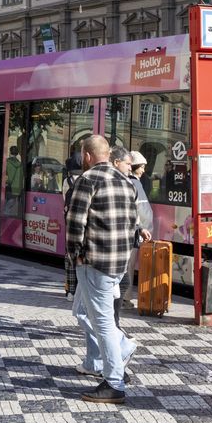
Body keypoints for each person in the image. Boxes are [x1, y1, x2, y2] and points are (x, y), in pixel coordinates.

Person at [66, 135, 139, 405]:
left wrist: (76, 255)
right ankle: (111, 367)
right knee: (92, 315)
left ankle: (114, 381)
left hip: (94, 262)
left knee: (103, 322)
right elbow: (133, 223)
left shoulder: (87, 180)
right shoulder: (126, 181)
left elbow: (76, 223)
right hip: (119, 261)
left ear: (87, 155)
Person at [115, 149, 154, 321]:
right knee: (128, 267)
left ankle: (120, 297)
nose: (143, 170)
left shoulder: (122, 181)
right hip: (133, 232)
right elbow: (143, 210)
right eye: (142, 167)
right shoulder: (135, 184)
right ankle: (125, 298)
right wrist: (147, 228)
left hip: (123, 231)